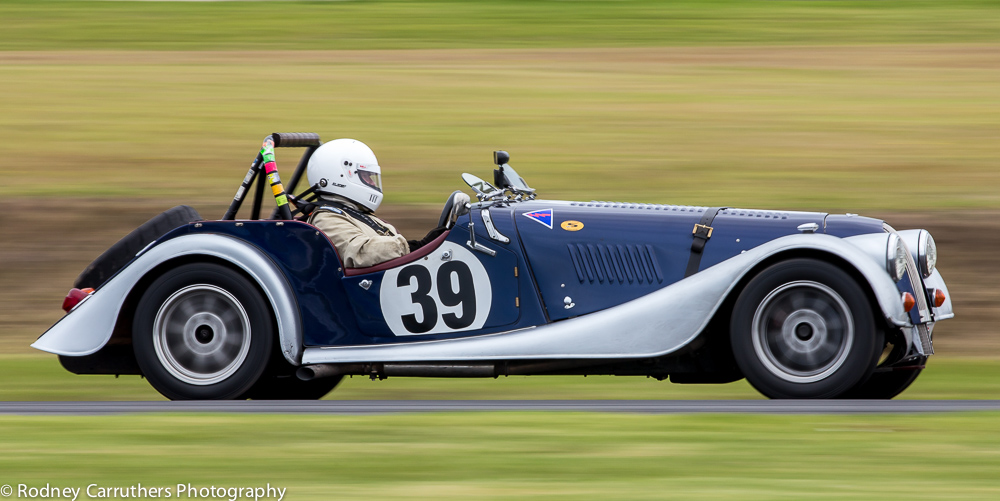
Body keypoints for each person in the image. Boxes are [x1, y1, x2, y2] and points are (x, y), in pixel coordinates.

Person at [305, 139, 446, 268]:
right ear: (340, 176)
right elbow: (360, 252)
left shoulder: (356, 213)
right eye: (366, 177)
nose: (372, 183)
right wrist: (417, 246)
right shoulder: (326, 218)